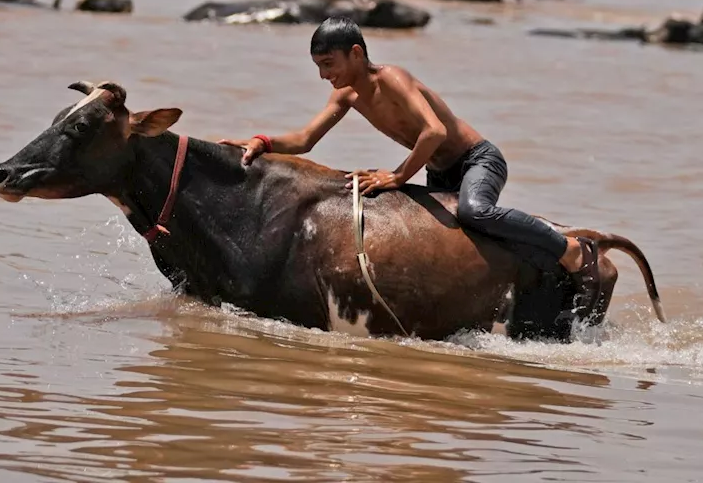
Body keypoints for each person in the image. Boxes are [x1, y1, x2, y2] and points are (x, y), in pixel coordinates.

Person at [219, 16, 602, 312]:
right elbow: (304, 140)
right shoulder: (347, 96)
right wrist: (262, 141)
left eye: (328, 63)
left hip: (476, 160)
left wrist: (398, 176)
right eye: (318, 66)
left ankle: (568, 248)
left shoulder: (393, 78)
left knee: (475, 211)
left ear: (356, 53)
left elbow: (433, 132)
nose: (324, 75)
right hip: (439, 172)